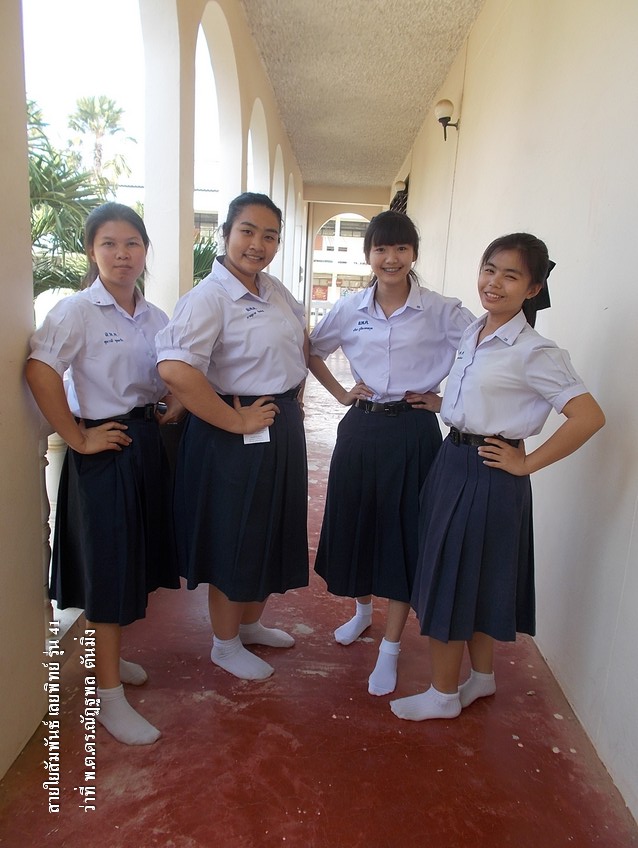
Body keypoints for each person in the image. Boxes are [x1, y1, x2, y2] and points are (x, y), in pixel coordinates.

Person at [390, 233, 605, 722]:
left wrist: (526, 463)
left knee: (450, 580)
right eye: (489, 269)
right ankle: (482, 677)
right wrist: (444, 404)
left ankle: (443, 694)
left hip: (486, 472)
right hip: (452, 462)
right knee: (475, 579)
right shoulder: (476, 329)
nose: (494, 282)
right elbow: (487, 397)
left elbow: (588, 417)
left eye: (511, 276)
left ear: (533, 289)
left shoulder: (534, 350)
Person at [26, 202, 183, 745]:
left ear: (145, 250)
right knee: (108, 570)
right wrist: (77, 437)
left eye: (132, 243)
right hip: (103, 451)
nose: (122, 254)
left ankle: (110, 665)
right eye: (109, 244)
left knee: (132, 562)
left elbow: (169, 377)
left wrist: (170, 405)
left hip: (144, 445)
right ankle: (107, 698)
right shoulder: (77, 311)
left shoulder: (155, 316)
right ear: (92, 252)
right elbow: (40, 370)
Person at [308, 210, 474, 696]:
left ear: (414, 253)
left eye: (401, 248)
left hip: (413, 431)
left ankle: (392, 647)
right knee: (358, 522)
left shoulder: (442, 310)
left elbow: (483, 352)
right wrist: (341, 393)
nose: (391, 258)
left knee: (404, 532)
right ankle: (362, 612)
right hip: (361, 428)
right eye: (381, 248)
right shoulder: (349, 308)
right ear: (368, 255)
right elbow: (312, 350)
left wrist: (445, 401)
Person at [156, 192, 309, 681]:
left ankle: (249, 626)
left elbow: (300, 342)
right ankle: (224, 644)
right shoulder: (209, 297)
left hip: (277, 425)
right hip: (234, 433)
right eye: (247, 231)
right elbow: (175, 368)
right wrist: (235, 420)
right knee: (233, 536)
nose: (257, 244)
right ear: (225, 235)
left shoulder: (273, 289)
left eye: (270, 236)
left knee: (269, 528)